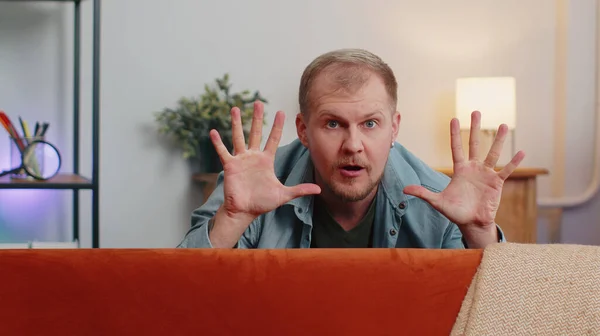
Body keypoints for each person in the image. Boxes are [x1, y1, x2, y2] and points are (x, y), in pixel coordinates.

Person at [178, 48, 525, 249]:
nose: (353, 146)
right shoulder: (253, 184)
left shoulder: (439, 201)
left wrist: (479, 231)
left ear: (395, 128)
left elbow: (488, 314)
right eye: (333, 124)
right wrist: (233, 219)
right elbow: (182, 289)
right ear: (303, 130)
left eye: (370, 124)